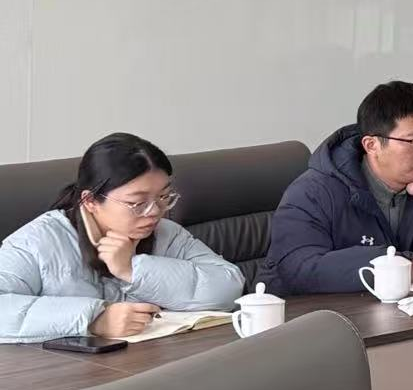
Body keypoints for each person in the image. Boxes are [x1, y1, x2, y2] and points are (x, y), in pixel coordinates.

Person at [0, 134, 242, 343]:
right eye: (137, 203)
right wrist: (95, 319)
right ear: (90, 201)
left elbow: (229, 287)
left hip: (152, 362)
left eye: (164, 197)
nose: (155, 212)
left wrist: (132, 269)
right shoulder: (36, 242)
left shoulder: (167, 233)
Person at [263, 81, 413, 295]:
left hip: (396, 311)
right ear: (371, 145)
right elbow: (300, 269)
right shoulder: (313, 193)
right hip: (310, 313)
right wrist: (407, 266)